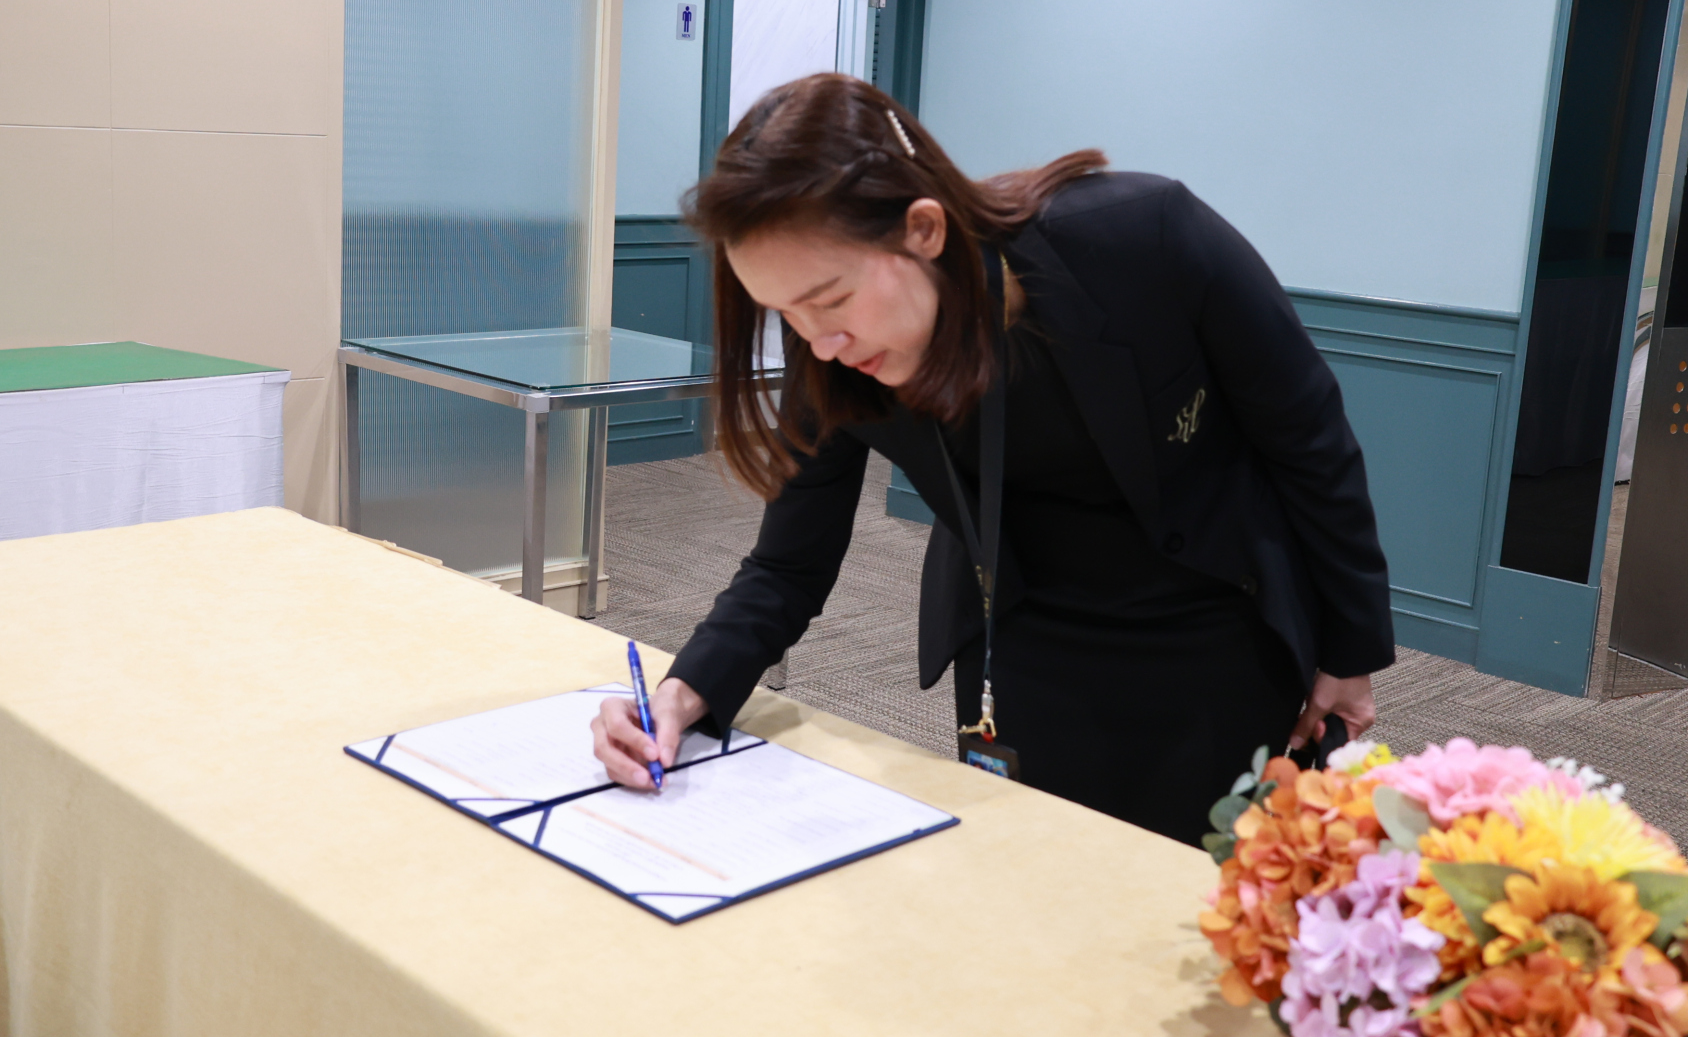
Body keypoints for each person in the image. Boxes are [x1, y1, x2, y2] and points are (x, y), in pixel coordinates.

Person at [590, 73, 1394, 845]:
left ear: (924, 230)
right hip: (1018, 647)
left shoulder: (1142, 238)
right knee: (1040, 885)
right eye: (785, 315)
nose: (819, 343)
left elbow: (1310, 440)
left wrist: (1349, 653)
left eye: (830, 300)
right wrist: (682, 693)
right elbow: (787, 565)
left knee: (1218, 894)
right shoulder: (832, 356)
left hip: (1217, 627)